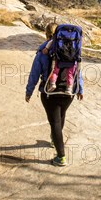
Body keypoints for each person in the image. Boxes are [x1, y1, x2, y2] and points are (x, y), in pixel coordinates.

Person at [25, 23, 83, 167]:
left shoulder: (43, 51)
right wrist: (80, 89)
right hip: (69, 92)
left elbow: (34, 73)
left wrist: (29, 91)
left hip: (50, 92)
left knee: (55, 123)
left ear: (46, 34)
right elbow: (77, 70)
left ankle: (61, 157)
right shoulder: (72, 48)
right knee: (61, 115)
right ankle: (55, 140)